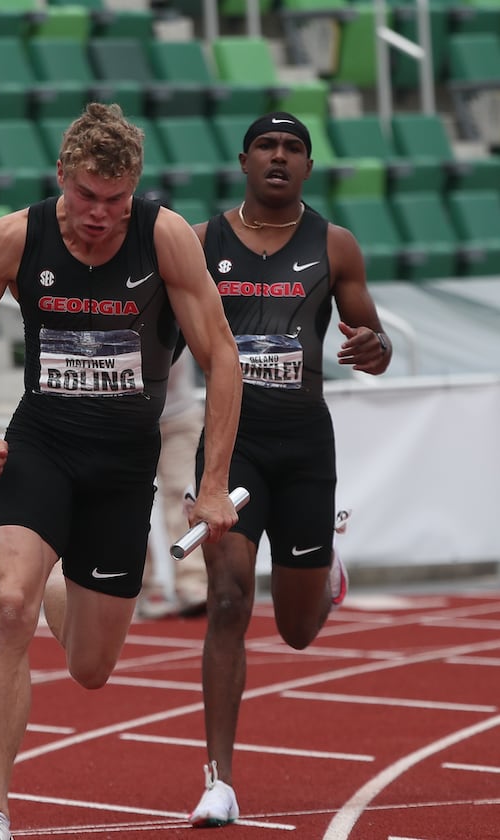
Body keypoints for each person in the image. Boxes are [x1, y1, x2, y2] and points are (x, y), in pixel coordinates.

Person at [0, 102, 244, 840]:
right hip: (41, 445)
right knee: (8, 607)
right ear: (62, 178)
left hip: (122, 461)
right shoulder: (14, 236)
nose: (100, 215)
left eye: (116, 200)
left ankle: (59, 579)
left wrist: (214, 479)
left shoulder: (163, 238)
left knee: (92, 669)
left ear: (136, 189)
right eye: (87, 197)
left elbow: (222, 355)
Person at [187, 112, 392, 827]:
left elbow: (373, 337)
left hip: (305, 443)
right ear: (243, 160)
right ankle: (219, 780)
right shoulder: (197, 243)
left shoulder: (333, 245)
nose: (279, 157)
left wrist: (373, 346)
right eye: (267, 146)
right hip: (228, 442)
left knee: (298, 630)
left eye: (293, 148)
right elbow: (154, 330)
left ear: (307, 166)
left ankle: (323, 566)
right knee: (229, 599)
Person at [138, 347, 208, 619]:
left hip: (178, 413)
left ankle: (192, 582)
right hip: (126, 417)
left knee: (186, 496)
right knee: (129, 500)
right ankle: (140, 586)